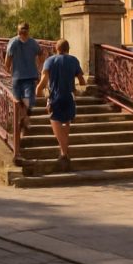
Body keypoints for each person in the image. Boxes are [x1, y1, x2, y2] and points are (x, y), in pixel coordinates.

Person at [35, 39, 86, 171]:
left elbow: (44, 80)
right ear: (68, 49)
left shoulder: (50, 61)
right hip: (69, 97)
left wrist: (38, 90)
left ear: (56, 49)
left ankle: (64, 153)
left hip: (55, 97)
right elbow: (82, 81)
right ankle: (63, 153)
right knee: (66, 124)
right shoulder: (74, 60)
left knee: (55, 122)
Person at [4, 22, 43, 135]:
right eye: (21, 29)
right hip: (17, 76)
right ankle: (24, 120)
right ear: (18, 31)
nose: (23, 31)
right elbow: (8, 57)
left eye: (25, 29)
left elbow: (41, 55)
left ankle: (24, 119)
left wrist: (40, 68)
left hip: (30, 75)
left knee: (28, 99)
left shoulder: (33, 43)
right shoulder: (13, 42)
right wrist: (7, 67)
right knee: (18, 100)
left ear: (28, 30)